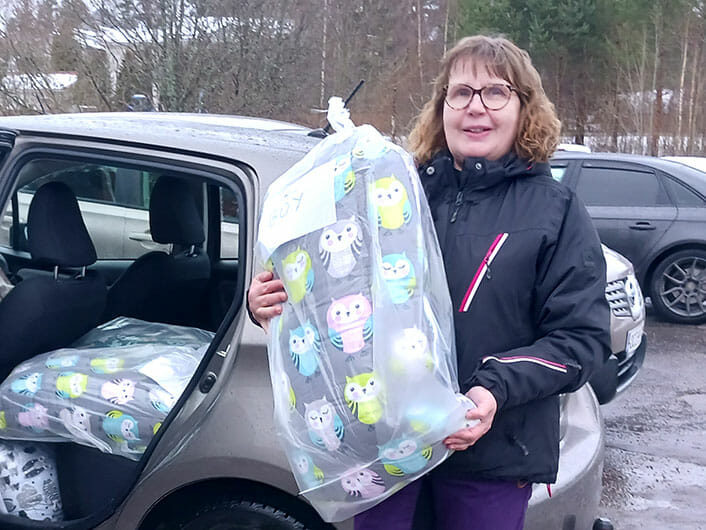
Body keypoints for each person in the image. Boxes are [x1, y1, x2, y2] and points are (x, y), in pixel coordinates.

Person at [248, 35, 611, 530]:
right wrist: (269, 300)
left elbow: (581, 339)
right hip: (386, 450)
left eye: (495, 92)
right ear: (442, 108)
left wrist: (493, 390)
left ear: (524, 107)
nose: (475, 107)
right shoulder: (394, 192)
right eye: (460, 93)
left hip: (491, 453)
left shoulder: (555, 210)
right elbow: (331, 287)